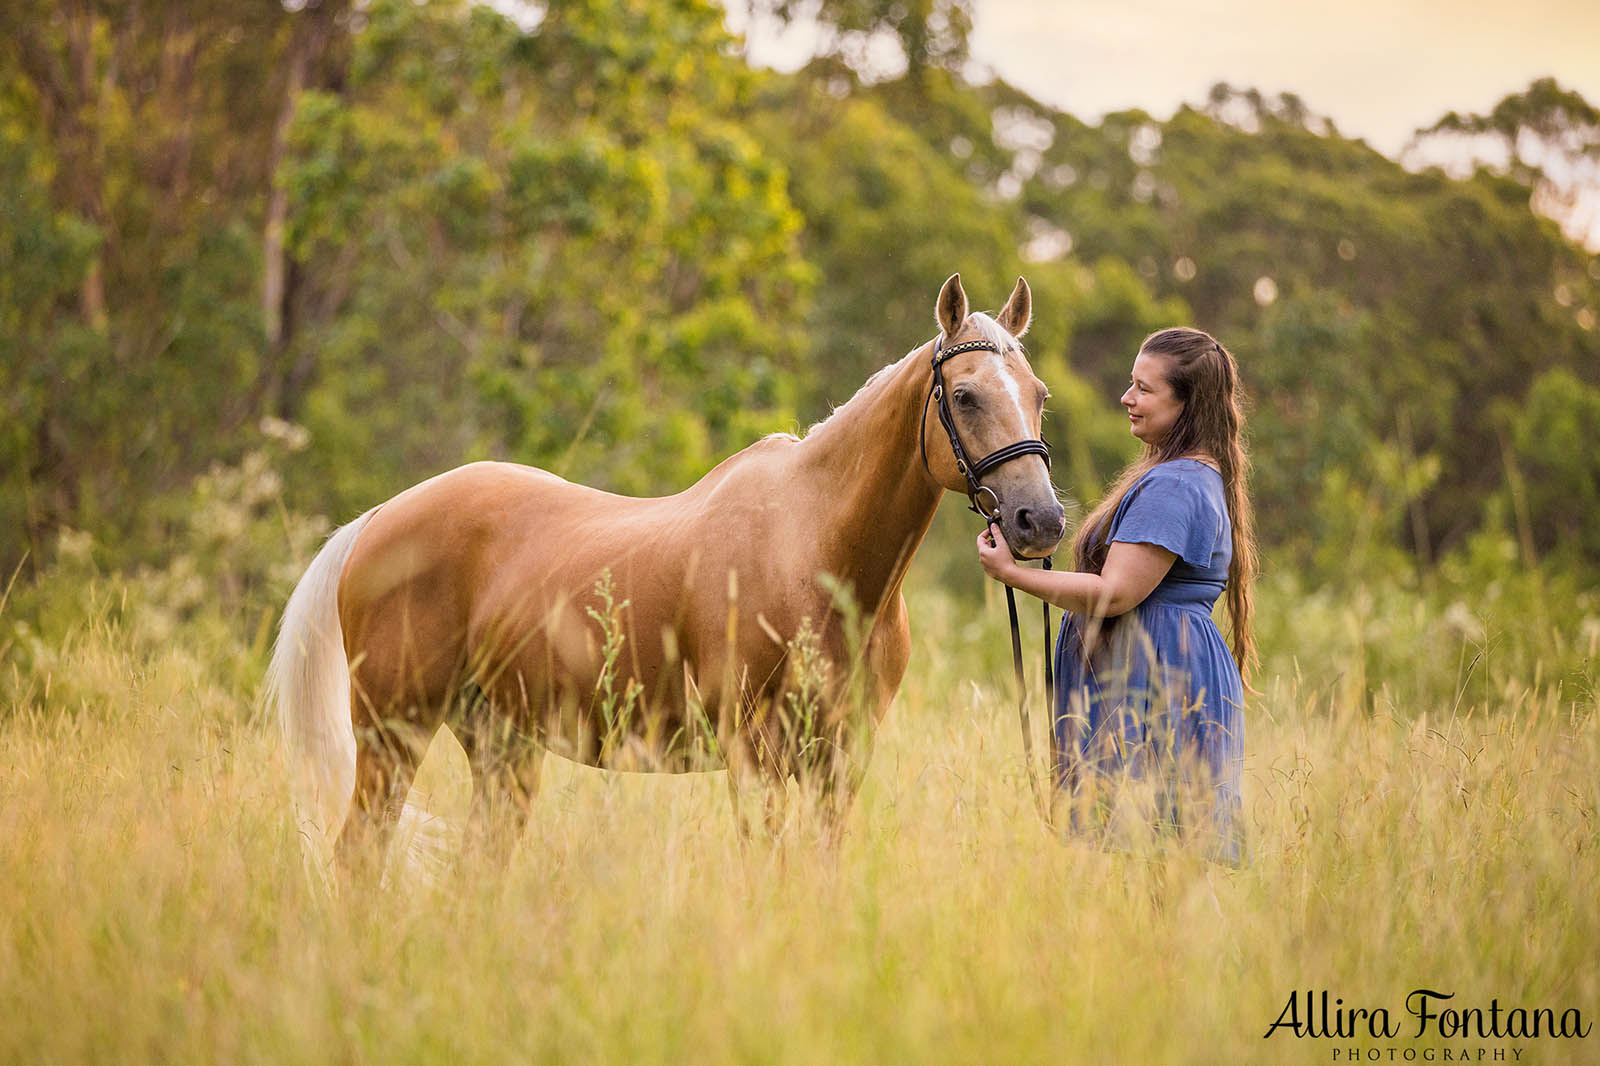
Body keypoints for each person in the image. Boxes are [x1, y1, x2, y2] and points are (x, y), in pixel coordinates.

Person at [976, 327, 1257, 863]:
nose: (1127, 398)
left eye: (1144, 389)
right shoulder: (1180, 475)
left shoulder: (1175, 485)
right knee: (1157, 864)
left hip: (1156, 675)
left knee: (1156, 856)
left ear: (1187, 402)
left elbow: (1114, 593)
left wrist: (1012, 574)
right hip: (1156, 666)